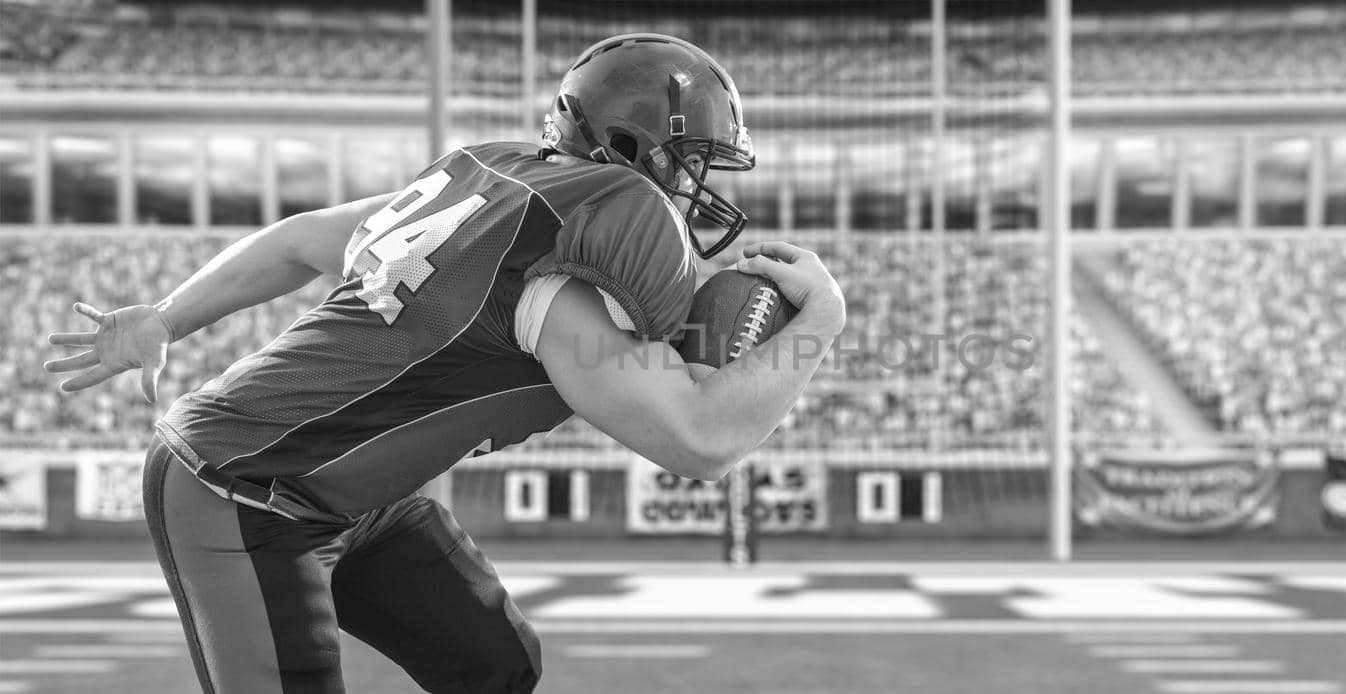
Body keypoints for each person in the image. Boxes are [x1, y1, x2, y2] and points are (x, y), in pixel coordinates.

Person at [43, 34, 844, 694]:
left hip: (350, 496)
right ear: (634, 147)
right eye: (691, 163)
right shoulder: (557, 287)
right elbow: (701, 441)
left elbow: (295, 239)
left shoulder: (496, 196)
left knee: (493, 667)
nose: (698, 189)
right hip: (241, 488)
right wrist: (823, 320)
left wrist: (166, 317)